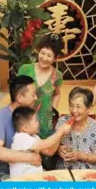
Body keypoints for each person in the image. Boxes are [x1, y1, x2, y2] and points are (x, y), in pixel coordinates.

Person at [18, 33, 64, 169]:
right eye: (42, 53)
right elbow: (17, 94)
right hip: (27, 121)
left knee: (47, 160)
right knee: (27, 161)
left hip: (46, 123)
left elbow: (57, 94)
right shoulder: (25, 69)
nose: (44, 58)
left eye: (49, 56)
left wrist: (53, 110)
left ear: (56, 58)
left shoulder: (57, 75)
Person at [0, 75, 42, 181]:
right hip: (4, 174)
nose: (36, 98)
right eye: (33, 95)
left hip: (28, 172)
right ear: (20, 97)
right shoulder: (0, 117)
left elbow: (43, 147)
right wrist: (29, 158)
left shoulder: (30, 115)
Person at [10, 106, 71, 177]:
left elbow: (49, 151)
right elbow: (45, 144)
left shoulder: (34, 137)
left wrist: (61, 134)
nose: (38, 123)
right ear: (25, 127)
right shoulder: (21, 137)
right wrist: (60, 131)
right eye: (35, 121)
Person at [56, 87, 96, 170]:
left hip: (89, 172)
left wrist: (80, 155)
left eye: (78, 106)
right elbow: (52, 148)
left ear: (89, 109)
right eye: (71, 106)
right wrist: (59, 149)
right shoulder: (62, 122)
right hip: (65, 170)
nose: (74, 110)